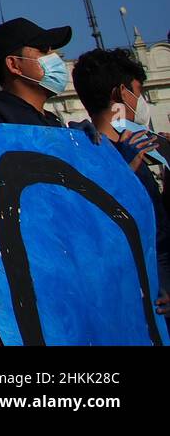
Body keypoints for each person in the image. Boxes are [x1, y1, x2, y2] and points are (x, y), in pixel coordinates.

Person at [68, 48, 170, 316]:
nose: (141, 101)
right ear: (122, 94)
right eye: (139, 92)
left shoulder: (80, 153)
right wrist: (126, 172)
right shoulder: (96, 156)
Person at [0, 16, 71, 128]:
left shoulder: (53, 120)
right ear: (14, 65)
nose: (55, 57)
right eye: (43, 49)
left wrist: (78, 139)